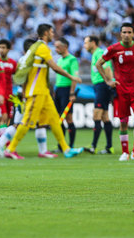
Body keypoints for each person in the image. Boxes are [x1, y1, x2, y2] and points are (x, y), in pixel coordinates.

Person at [5, 24, 83, 159]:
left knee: (54, 119)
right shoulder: (42, 47)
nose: (53, 34)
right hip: (36, 91)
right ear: (46, 33)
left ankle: (66, 149)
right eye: (52, 32)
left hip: (43, 91)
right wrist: (71, 77)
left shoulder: (35, 47)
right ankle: (10, 149)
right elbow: (54, 67)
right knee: (27, 121)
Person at [96, 22, 134, 161]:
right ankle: (125, 152)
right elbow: (98, 64)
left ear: (133, 34)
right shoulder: (113, 49)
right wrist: (108, 81)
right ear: (120, 34)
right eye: (124, 32)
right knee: (123, 121)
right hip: (121, 90)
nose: (126, 35)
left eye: (129, 32)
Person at [0, 38, 56, 158]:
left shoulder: (22, 61)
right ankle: (1, 145)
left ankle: (43, 151)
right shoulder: (30, 61)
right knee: (19, 124)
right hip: (27, 95)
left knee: (38, 122)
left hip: (25, 94)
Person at [84, 35, 114, 154]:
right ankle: (109, 147)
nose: (84, 45)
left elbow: (107, 68)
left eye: (86, 43)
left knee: (96, 115)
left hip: (102, 85)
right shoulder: (95, 54)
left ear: (93, 43)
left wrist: (109, 83)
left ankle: (93, 146)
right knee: (104, 116)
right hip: (100, 86)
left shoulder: (99, 52)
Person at [54, 38, 79, 149]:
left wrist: (72, 93)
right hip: (59, 90)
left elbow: (75, 77)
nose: (56, 49)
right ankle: (61, 145)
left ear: (65, 47)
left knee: (68, 119)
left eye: (58, 47)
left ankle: (71, 144)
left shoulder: (72, 60)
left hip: (67, 90)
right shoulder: (60, 60)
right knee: (59, 118)